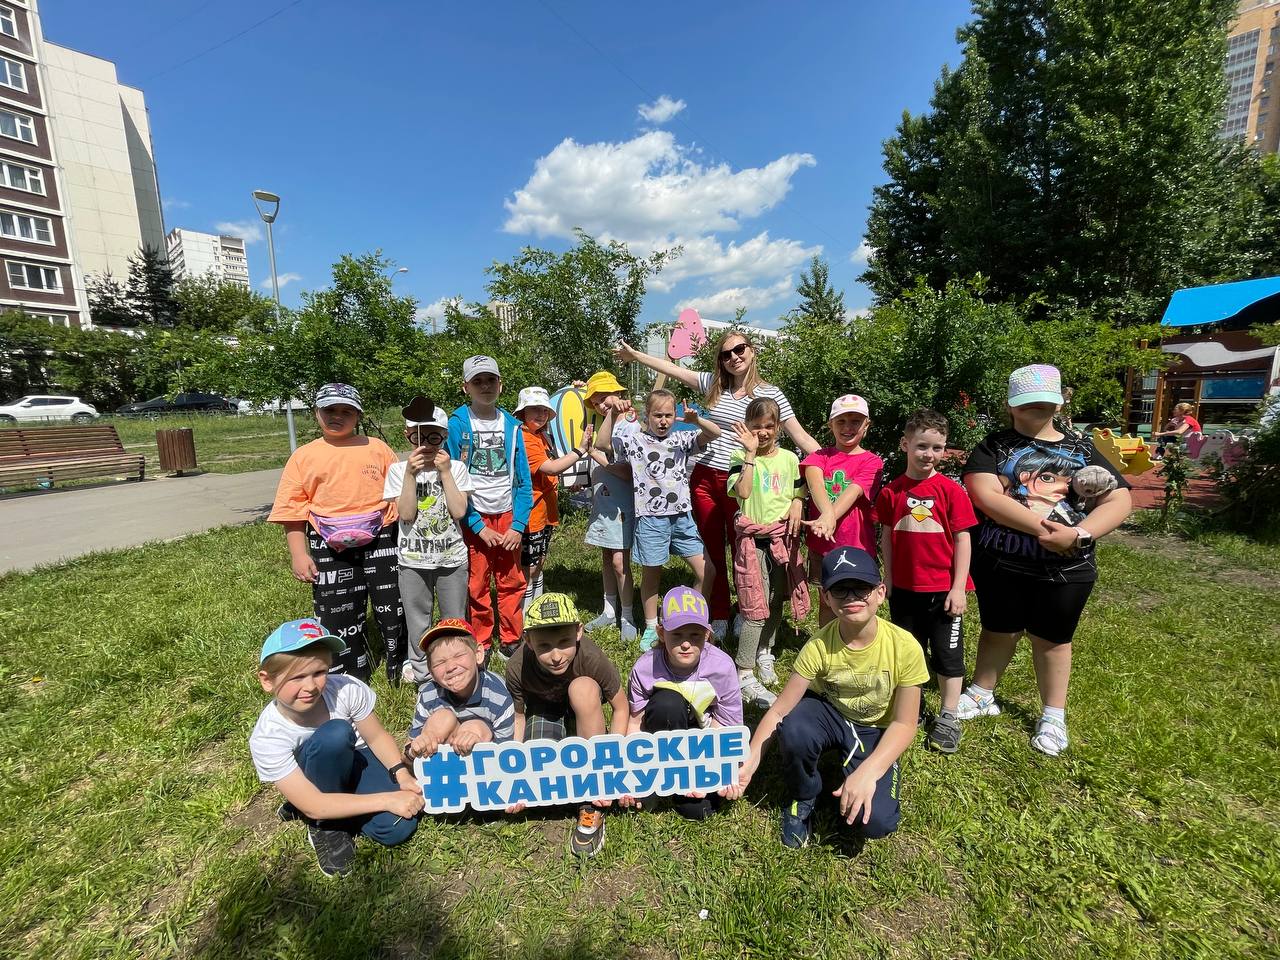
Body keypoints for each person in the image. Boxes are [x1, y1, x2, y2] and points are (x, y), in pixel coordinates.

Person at [957, 364, 1132, 757]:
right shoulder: (994, 446)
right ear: (1010, 405)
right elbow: (984, 495)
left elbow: (1119, 498)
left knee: (1053, 640)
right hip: (1002, 561)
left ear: (1059, 401)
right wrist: (1043, 529)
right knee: (998, 628)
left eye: (1043, 402)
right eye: (1026, 404)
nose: (1035, 410)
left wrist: (1080, 534)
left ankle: (1053, 714)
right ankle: (983, 691)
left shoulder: (1085, 449)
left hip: (1067, 567)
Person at [615, 332, 819, 641]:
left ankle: (748, 610)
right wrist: (637, 356)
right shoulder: (714, 384)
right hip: (705, 479)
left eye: (740, 349)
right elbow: (673, 370)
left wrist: (831, 467)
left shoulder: (770, 393)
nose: (734, 357)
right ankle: (720, 613)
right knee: (711, 550)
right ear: (720, 361)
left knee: (744, 550)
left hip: (741, 480)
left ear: (751, 351)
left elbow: (800, 437)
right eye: (726, 354)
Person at [721, 548, 928, 849]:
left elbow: (905, 723)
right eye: (841, 590)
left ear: (881, 592)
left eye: (862, 587)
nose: (852, 597)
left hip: (876, 727)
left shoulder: (905, 647)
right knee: (794, 728)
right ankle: (804, 794)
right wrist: (749, 763)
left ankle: (865, 770)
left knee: (876, 822)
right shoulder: (818, 646)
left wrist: (870, 771)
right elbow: (779, 711)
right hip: (829, 713)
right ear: (827, 598)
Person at [249, 619, 423, 877]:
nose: (311, 686)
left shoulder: (345, 688)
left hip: (356, 758)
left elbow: (375, 737)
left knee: (398, 827)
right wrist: (387, 798)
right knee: (335, 733)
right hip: (310, 780)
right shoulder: (268, 737)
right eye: (297, 677)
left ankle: (337, 805)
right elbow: (314, 803)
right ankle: (325, 825)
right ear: (267, 681)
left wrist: (401, 774)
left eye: (319, 673)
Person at [269, 383, 405, 682]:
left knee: (393, 605)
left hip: (381, 537)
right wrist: (299, 553)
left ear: (358, 415)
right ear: (316, 412)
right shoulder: (304, 456)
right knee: (336, 610)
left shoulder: (378, 448)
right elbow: (293, 509)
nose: (337, 416)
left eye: (346, 411)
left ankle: (400, 664)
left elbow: (399, 494)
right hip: (328, 544)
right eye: (330, 410)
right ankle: (348, 671)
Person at [874, 409, 977, 754]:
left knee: (948, 655)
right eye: (921, 446)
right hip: (903, 591)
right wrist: (887, 576)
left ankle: (949, 715)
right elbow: (887, 537)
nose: (929, 455)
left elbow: (963, 539)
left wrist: (958, 587)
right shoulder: (892, 492)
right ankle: (911, 708)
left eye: (937, 448)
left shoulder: (951, 491)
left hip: (943, 593)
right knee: (909, 653)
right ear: (905, 444)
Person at [504, 592, 630, 857]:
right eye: (544, 646)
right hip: (543, 711)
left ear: (579, 632)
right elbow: (518, 717)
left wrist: (611, 767)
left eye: (564, 642)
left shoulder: (592, 658)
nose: (556, 655)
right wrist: (515, 774)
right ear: (528, 641)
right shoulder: (517, 667)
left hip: (583, 711)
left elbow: (621, 708)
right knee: (540, 791)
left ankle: (591, 802)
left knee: (582, 688)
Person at [596, 388, 721, 651]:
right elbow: (602, 445)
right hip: (651, 519)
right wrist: (613, 414)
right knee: (652, 573)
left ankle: (694, 619)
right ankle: (653, 626)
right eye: (657, 415)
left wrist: (696, 420)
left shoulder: (682, 439)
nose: (663, 421)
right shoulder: (636, 440)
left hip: (682, 517)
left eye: (668, 415)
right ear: (647, 416)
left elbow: (715, 433)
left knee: (706, 570)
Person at [623, 585, 743, 820]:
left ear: (707, 635)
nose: (686, 643)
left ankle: (683, 785)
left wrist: (721, 770)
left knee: (699, 811)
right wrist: (633, 773)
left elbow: (728, 726)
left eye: (695, 635)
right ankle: (660, 776)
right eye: (676, 634)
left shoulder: (723, 666)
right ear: (660, 633)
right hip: (661, 733)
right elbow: (635, 724)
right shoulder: (645, 667)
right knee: (668, 702)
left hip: (704, 739)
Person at [446, 356, 533, 663]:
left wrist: (519, 524)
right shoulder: (457, 425)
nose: (485, 386)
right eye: (477, 381)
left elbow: (523, 480)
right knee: (477, 582)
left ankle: (511, 638)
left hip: (508, 515)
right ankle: (481, 638)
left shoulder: (512, 426)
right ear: (465, 387)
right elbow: (452, 479)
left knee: (512, 580)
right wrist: (477, 525)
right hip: (474, 517)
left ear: (500, 384)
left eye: (490, 380)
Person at [727, 398, 809, 708]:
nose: (762, 432)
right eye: (756, 426)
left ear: (778, 429)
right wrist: (749, 454)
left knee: (776, 598)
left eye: (769, 426)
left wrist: (798, 502)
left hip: (781, 537)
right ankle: (743, 669)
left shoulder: (789, 459)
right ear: (747, 427)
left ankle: (765, 651)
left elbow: (799, 488)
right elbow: (744, 492)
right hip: (752, 540)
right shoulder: (739, 456)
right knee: (754, 604)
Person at [384, 397, 473, 686]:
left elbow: (459, 511)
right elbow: (406, 514)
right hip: (412, 561)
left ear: (444, 437)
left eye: (436, 436)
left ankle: (457, 670)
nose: (428, 442)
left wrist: (445, 472)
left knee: (453, 621)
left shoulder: (457, 468)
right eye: (419, 435)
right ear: (408, 435)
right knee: (418, 621)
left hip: (452, 560)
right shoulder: (398, 471)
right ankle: (424, 678)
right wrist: (411, 474)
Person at [802, 395, 884, 627]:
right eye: (841, 421)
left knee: (861, 602)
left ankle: (860, 644)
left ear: (866, 425)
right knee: (828, 602)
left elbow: (854, 492)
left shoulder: (872, 461)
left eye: (855, 421)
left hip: (857, 546)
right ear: (831, 425)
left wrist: (828, 516)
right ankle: (827, 648)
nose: (848, 427)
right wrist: (827, 517)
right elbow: (815, 483)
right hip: (822, 546)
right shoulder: (818, 457)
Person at [514, 386, 594, 613]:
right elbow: (549, 467)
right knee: (528, 567)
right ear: (522, 414)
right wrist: (580, 450)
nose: (540, 414)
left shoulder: (542, 436)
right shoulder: (526, 438)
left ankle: (535, 605)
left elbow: (553, 471)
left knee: (538, 562)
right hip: (532, 513)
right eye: (534, 409)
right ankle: (525, 613)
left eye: (544, 410)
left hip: (546, 512)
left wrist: (569, 481)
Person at [581, 371, 641, 641]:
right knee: (607, 558)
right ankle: (608, 610)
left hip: (621, 502)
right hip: (603, 501)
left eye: (606, 397)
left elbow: (627, 471)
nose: (602, 404)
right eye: (596, 401)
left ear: (619, 395)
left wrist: (595, 454)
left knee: (620, 561)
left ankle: (627, 615)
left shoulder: (630, 423)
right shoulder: (605, 420)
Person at [403, 618, 515, 761]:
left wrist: (476, 739)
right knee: (442, 719)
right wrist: (415, 750)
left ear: (478, 654)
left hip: (486, 763)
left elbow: (506, 753)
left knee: (474, 727)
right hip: (443, 757)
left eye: (459, 656)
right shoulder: (428, 695)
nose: (450, 667)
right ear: (430, 671)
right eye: (440, 662)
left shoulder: (499, 696)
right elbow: (409, 745)